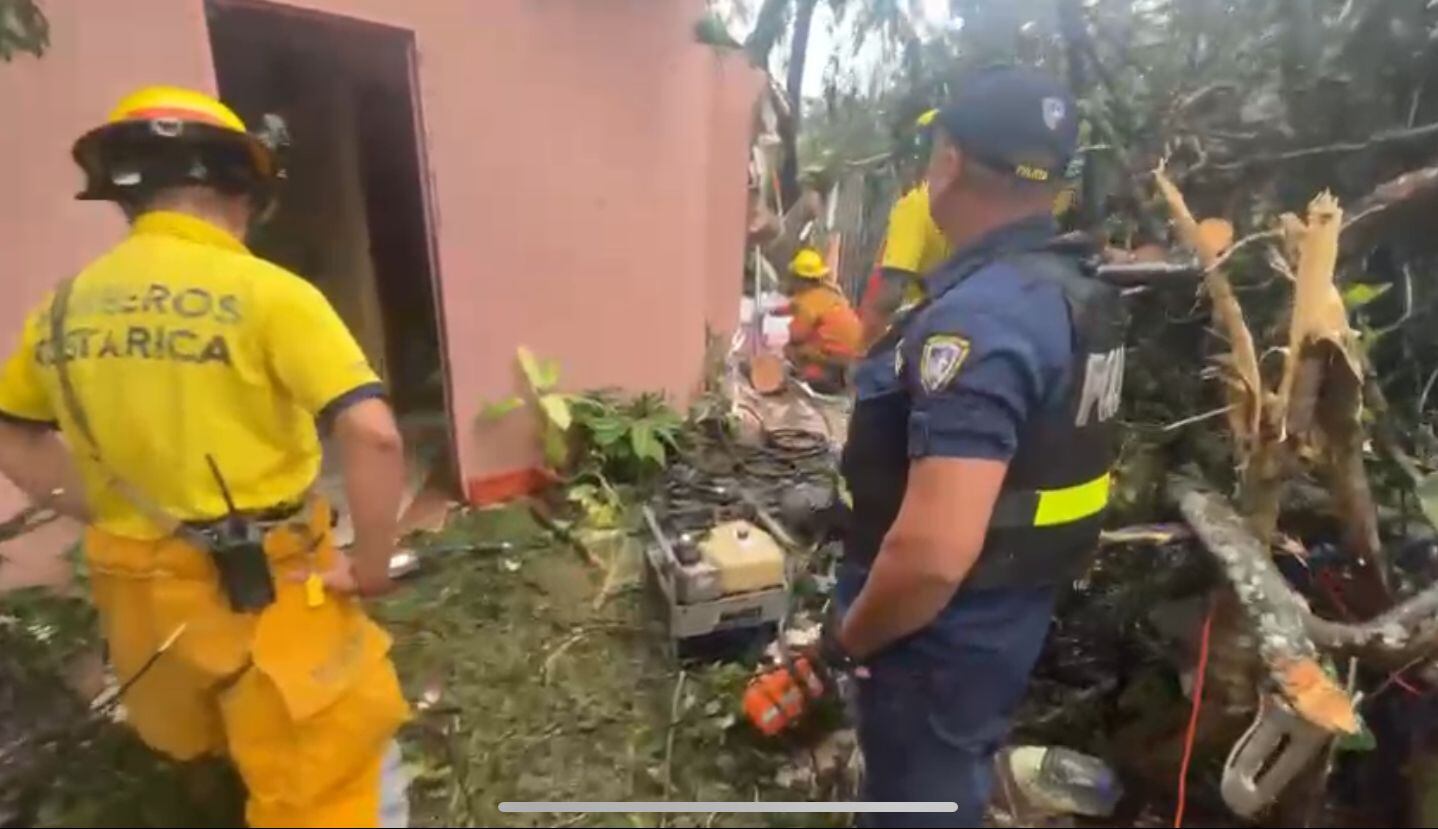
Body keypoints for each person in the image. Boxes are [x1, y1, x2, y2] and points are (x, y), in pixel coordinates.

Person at [0, 86, 411, 827]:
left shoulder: (62, 309)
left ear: (127, 199)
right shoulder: (269, 294)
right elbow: (375, 434)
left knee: (197, 746)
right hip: (270, 589)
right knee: (337, 776)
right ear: (239, 191)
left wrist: (100, 507)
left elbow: (13, 432)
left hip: (140, 601)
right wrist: (372, 565)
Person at [826, 67, 1126, 827]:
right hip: (1006, 615)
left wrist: (842, 641)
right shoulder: (1068, 289)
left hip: (934, 639)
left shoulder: (980, 321)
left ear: (950, 162)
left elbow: (930, 555)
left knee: (917, 802)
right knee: (951, 772)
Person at [857, 109, 953, 347]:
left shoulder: (915, 205)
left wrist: (863, 349)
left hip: (921, 331)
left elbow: (891, 294)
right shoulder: (979, 208)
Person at [782, 248, 862, 394]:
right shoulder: (831, 294)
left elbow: (797, 334)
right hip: (851, 360)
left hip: (830, 361)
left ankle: (811, 377)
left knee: (791, 349)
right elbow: (793, 307)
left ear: (800, 280)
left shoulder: (809, 300)